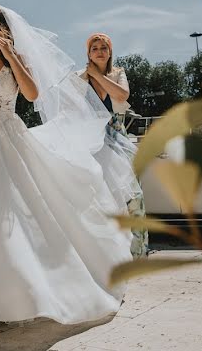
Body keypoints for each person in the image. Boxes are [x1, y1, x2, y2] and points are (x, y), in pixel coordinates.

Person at [0, 6, 132, 330]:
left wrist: (11, 56)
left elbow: (32, 93)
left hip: (7, 141)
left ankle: (1, 296)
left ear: (2, 28)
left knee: (4, 214)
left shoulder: (17, 58)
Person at [79, 33, 149, 257]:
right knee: (98, 197)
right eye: (94, 48)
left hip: (118, 136)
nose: (99, 51)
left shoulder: (118, 73)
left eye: (103, 48)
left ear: (110, 52)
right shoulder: (80, 78)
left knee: (132, 195)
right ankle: (103, 254)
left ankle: (137, 253)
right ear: (88, 53)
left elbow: (122, 95)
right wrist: (88, 75)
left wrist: (97, 75)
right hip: (92, 140)